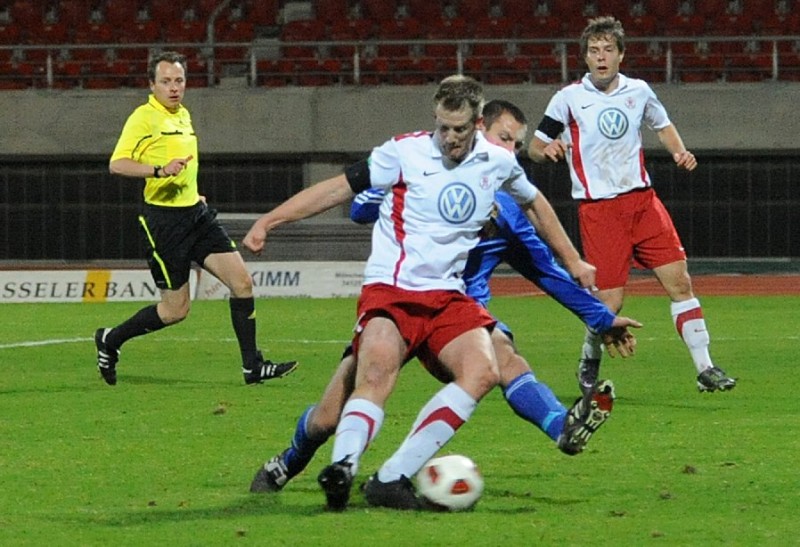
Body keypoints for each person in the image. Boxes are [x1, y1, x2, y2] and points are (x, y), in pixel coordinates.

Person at [243, 77, 637, 511]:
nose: (449, 138)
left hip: (450, 301)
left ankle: (391, 478)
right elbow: (343, 192)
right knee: (331, 413)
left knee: (487, 368)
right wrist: (270, 221)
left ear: (477, 124)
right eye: (443, 127)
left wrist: (576, 264)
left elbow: (537, 211)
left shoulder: (497, 167)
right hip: (392, 296)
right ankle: (307, 463)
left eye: (459, 129)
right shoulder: (403, 153)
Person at [528, 16, 736, 394]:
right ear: (585, 58)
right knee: (609, 303)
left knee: (681, 282)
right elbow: (534, 147)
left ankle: (706, 368)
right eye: (594, 51)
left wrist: (679, 152)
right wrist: (549, 149)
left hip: (643, 202)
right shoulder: (568, 98)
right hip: (599, 210)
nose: (601, 57)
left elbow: (662, 124)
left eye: (608, 49)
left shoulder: (638, 91)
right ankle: (589, 357)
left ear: (621, 55)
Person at [96, 51, 297, 386]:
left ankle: (253, 367)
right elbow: (117, 164)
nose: (174, 87)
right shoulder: (143, 118)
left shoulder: (184, 115)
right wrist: (158, 171)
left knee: (242, 283)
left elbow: (184, 165)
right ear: (152, 85)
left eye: (179, 80)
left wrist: (193, 192)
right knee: (176, 310)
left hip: (196, 215)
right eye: (166, 81)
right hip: (164, 223)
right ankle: (111, 339)